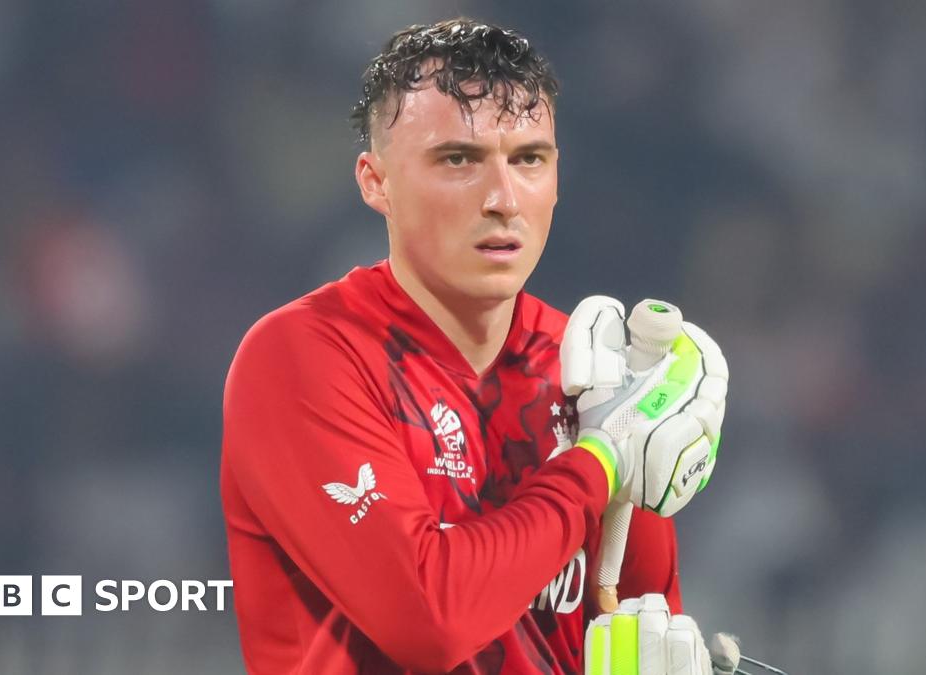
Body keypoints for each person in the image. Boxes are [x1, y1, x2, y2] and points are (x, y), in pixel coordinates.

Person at [221, 18, 727, 674]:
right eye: (458, 159)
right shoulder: (303, 357)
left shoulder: (597, 376)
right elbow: (427, 621)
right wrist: (600, 460)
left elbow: (638, 624)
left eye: (529, 160)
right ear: (376, 182)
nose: (503, 199)